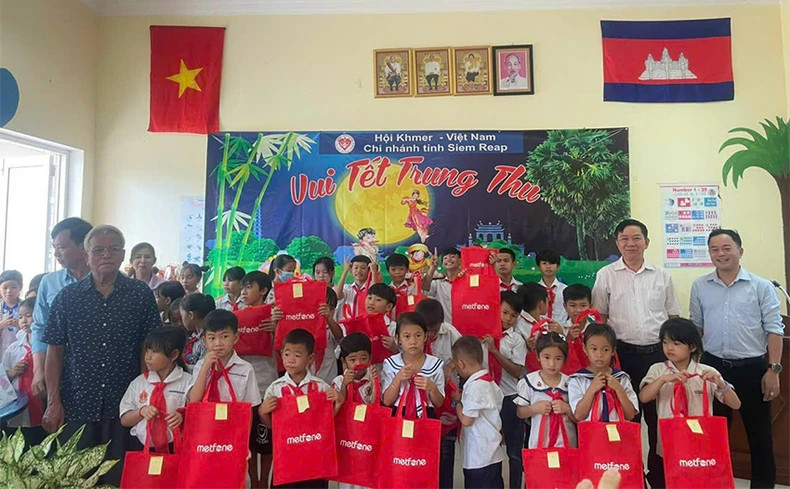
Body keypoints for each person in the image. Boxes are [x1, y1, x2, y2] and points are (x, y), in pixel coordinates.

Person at [42, 224, 161, 486]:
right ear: (87, 256)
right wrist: (53, 401)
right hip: (77, 403)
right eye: (98, 250)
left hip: (126, 405)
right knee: (76, 477)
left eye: (113, 249)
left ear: (122, 255)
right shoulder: (67, 297)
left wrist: (148, 395)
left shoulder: (140, 295)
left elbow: (150, 348)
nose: (106, 255)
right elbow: (55, 350)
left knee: (121, 477)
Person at [689, 229, 784, 488]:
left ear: (740, 251)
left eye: (726, 248)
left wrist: (773, 370)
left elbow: (774, 329)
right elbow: (695, 328)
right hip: (713, 367)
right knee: (713, 434)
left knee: (760, 436)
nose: (721, 254)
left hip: (752, 369)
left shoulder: (761, 286)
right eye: (714, 249)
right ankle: (715, 483)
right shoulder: (700, 286)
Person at [591, 218, 680, 487]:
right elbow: (600, 319)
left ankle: (659, 475)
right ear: (617, 243)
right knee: (627, 420)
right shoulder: (606, 275)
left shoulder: (662, 275)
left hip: (658, 357)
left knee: (658, 419)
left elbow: (673, 316)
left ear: (647, 242)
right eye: (624, 239)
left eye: (636, 238)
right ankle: (630, 476)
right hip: (623, 357)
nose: (631, 244)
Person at [639, 318, 742, 488]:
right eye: (665, 342)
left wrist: (721, 384)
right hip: (667, 444)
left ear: (692, 347)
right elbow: (644, 397)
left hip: (699, 445)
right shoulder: (658, 369)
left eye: (676, 343)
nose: (669, 348)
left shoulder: (706, 372)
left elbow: (736, 404)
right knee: (667, 481)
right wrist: (663, 380)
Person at [186, 309, 263, 486]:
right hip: (205, 431)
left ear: (235, 338)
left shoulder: (245, 369)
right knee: (205, 475)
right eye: (212, 338)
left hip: (233, 432)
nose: (218, 343)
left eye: (224, 336)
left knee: (232, 476)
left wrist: (244, 442)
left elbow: (248, 410)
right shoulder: (200, 366)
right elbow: (194, 400)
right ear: (204, 340)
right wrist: (206, 367)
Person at [259, 329, 341, 489]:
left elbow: (327, 423)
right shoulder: (275, 388)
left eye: (297, 355)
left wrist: (338, 403)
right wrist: (262, 412)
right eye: (287, 354)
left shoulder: (320, 387)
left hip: (314, 458)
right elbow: (271, 426)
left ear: (310, 358)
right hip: (286, 457)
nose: (291, 360)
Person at [32, 217, 92, 398]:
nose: (57, 254)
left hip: (101, 372)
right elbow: (39, 328)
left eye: (62, 247)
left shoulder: (112, 281)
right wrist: (38, 370)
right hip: (58, 371)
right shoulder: (49, 282)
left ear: (84, 247)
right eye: (54, 248)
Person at [416, 298, 461, 489]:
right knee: (422, 449)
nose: (432, 334)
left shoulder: (450, 332)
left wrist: (451, 365)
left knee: (445, 449)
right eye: (429, 331)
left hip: (446, 399)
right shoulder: (413, 334)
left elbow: (464, 354)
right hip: (420, 400)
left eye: (436, 329)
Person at [120, 328, 190, 451]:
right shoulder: (139, 383)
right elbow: (125, 420)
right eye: (147, 351)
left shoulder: (188, 381)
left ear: (173, 355)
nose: (148, 356)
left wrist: (182, 417)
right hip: (144, 448)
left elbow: (197, 413)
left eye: (154, 351)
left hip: (177, 446)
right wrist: (141, 412)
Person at [450, 336, 505, 489]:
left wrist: (457, 403)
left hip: (479, 457)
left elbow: (467, 420)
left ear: (461, 364)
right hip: (491, 453)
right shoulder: (489, 382)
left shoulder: (476, 387)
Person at [485, 290, 527, 489]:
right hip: (486, 397)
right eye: (505, 312)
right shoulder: (482, 333)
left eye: (513, 315)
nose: (508, 319)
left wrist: (495, 351)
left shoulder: (516, 339)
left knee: (514, 451)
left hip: (510, 397)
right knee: (487, 448)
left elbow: (518, 371)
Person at [332, 332, 379, 489]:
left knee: (368, 478)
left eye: (363, 358)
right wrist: (345, 385)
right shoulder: (338, 381)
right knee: (346, 480)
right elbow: (339, 407)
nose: (358, 363)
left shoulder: (375, 380)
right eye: (353, 360)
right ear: (344, 362)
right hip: (347, 438)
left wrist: (375, 384)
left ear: (370, 358)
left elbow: (375, 408)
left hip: (368, 437)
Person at [515, 332, 577, 449]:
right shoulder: (529, 382)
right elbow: (520, 412)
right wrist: (533, 408)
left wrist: (567, 409)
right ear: (538, 356)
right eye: (547, 357)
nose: (552, 363)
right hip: (539, 444)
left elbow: (579, 417)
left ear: (565, 359)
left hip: (567, 444)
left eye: (558, 358)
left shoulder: (571, 383)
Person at [569, 323, 638, 422]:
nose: (599, 354)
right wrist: (592, 389)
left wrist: (618, 389)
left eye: (605, 349)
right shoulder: (578, 379)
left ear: (613, 351)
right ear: (585, 349)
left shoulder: (621, 378)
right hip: (591, 434)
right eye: (594, 349)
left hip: (618, 434)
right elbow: (579, 415)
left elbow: (630, 415)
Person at [381, 312, 445, 418]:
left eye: (418, 335)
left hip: (426, 416)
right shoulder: (391, 364)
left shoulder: (435, 365)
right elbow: (387, 401)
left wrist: (432, 388)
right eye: (407, 336)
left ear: (425, 336)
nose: (413, 341)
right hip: (398, 415)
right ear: (398, 339)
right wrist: (398, 379)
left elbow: (439, 403)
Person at [2, 297, 46, 439]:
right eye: (20, 317)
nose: (24, 321)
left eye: (28, 315)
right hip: (18, 410)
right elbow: (3, 377)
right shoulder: (14, 349)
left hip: (42, 403)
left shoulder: (47, 347)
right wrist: (13, 372)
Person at [516, 282, 563, 350]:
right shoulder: (518, 326)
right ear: (541, 305)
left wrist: (561, 334)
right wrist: (527, 348)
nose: (549, 304)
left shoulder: (549, 323)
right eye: (547, 300)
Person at [422, 248, 462, 323]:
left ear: (460, 261)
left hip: (465, 326)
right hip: (445, 327)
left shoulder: (468, 283)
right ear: (443, 264)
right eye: (445, 258)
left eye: (453, 257)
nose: (449, 259)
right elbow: (425, 288)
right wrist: (432, 268)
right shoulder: (438, 284)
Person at [180, 293, 215, 372]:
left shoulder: (208, 339)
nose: (182, 321)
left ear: (191, 315)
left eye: (182, 316)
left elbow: (204, 369)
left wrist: (181, 366)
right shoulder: (194, 336)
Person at [335, 255, 376, 319]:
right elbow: (337, 295)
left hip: (366, 325)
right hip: (348, 326)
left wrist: (374, 272)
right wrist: (345, 271)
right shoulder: (347, 288)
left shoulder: (372, 287)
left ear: (369, 271)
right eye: (356, 268)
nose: (359, 271)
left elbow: (377, 294)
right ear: (351, 270)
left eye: (363, 268)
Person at [363, 283, 398, 355]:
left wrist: (395, 347)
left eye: (378, 300)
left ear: (388, 306)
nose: (371, 302)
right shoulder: (358, 324)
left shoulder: (394, 327)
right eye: (369, 298)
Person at [536, 249, 568, 324]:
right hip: (539, 330)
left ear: (558, 267)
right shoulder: (534, 290)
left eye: (552, 263)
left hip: (561, 330)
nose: (548, 267)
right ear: (539, 267)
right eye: (544, 263)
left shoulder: (565, 289)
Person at [0, 269, 23, 355]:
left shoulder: (25, 307)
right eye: (5, 288)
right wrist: (1, 324)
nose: (9, 291)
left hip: (20, 351)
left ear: (20, 288)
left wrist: (21, 326)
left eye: (13, 287)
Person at [385, 253, 412, 320]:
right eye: (393, 269)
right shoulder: (385, 291)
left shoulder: (412, 289)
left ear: (407, 270)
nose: (397, 272)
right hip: (390, 327)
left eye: (401, 269)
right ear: (388, 271)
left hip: (408, 324)